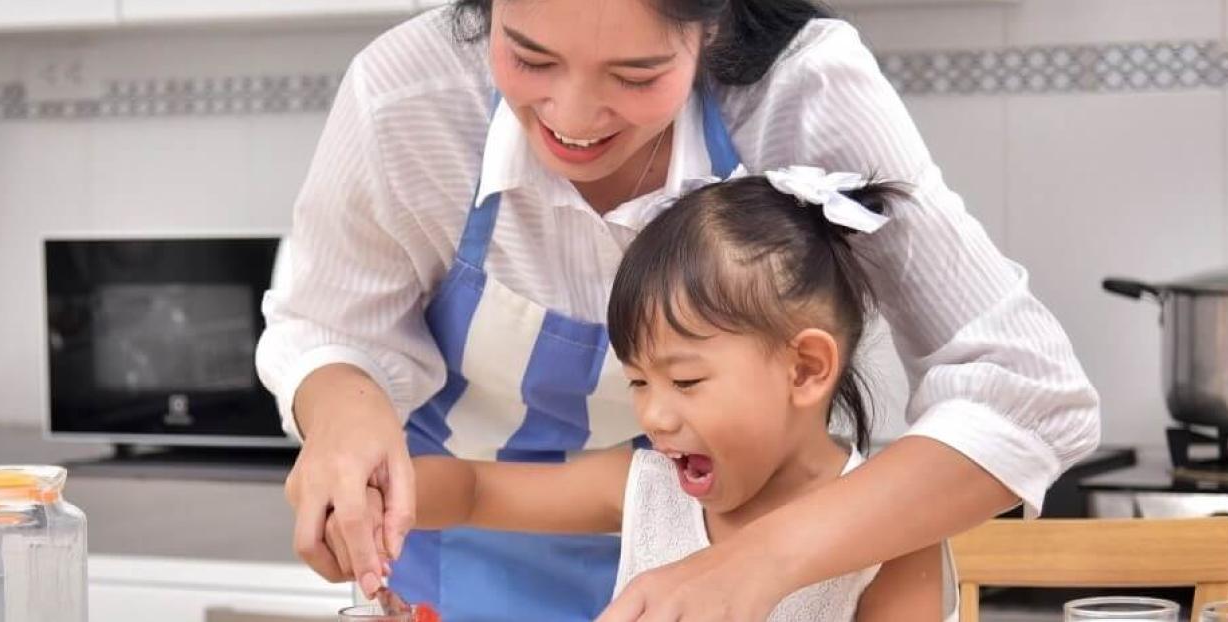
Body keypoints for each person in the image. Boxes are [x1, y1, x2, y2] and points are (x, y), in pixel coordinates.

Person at [259, 1, 1101, 619]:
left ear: (715, 28)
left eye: (637, 74)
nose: (573, 118)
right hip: (455, 581)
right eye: (528, 56)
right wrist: (345, 430)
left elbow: (1028, 392)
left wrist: (757, 560)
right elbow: (330, 328)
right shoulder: (406, 93)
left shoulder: (803, 89)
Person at [312, 170, 946, 621]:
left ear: (805, 368)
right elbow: (478, 492)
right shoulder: (648, 490)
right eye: (639, 382)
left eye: (687, 381)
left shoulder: (888, 528)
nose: (654, 416)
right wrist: (378, 494)